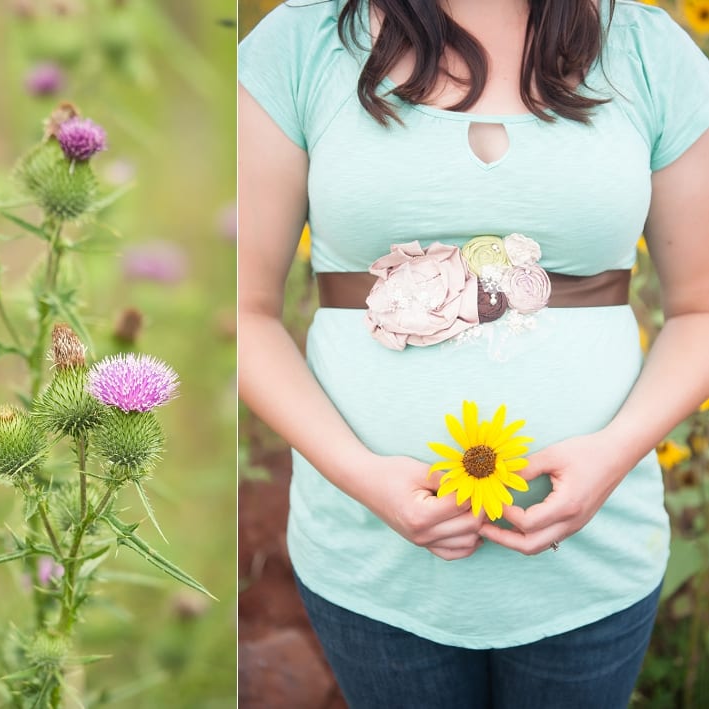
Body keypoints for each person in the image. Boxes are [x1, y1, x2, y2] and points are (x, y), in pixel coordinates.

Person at [237, 0, 709, 706]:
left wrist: (613, 452)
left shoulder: (647, 49)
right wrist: (364, 477)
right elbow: (241, 313)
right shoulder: (300, 43)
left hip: (592, 563)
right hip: (370, 561)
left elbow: (700, 308)